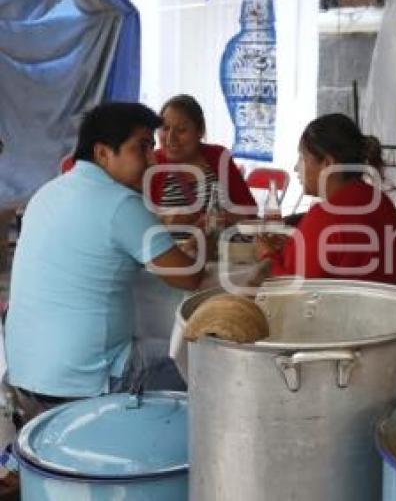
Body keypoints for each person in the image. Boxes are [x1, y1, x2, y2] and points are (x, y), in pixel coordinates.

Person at [5, 103, 204, 418]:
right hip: (85, 381)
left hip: (25, 374)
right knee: (202, 360)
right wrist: (196, 245)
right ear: (102, 153)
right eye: (141, 147)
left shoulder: (47, 193)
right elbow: (189, 277)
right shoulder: (121, 204)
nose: (153, 159)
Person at [256, 113, 396, 284]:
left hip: (332, 310)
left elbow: (290, 291)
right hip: (381, 308)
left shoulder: (326, 216)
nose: (296, 167)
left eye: (303, 158)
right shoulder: (383, 203)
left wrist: (267, 255)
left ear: (327, 163)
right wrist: (293, 246)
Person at [150, 94, 257, 234]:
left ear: (200, 131)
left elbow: (249, 212)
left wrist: (221, 219)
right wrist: (165, 220)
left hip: (217, 252)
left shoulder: (218, 157)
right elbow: (132, 220)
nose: (171, 138)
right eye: (165, 128)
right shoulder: (151, 163)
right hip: (168, 253)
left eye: (181, 130)